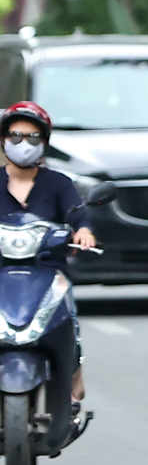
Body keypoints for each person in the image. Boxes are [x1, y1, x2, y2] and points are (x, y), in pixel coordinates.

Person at [0, 102, 95, 406]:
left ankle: (72, 373)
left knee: (68, 321)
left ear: (44, 142)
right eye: (15, 136)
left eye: (32, 137)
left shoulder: (59, 183)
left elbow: (78, 215)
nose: (22, 144)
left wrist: (83, 231)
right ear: (3, 140)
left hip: (48, 271)